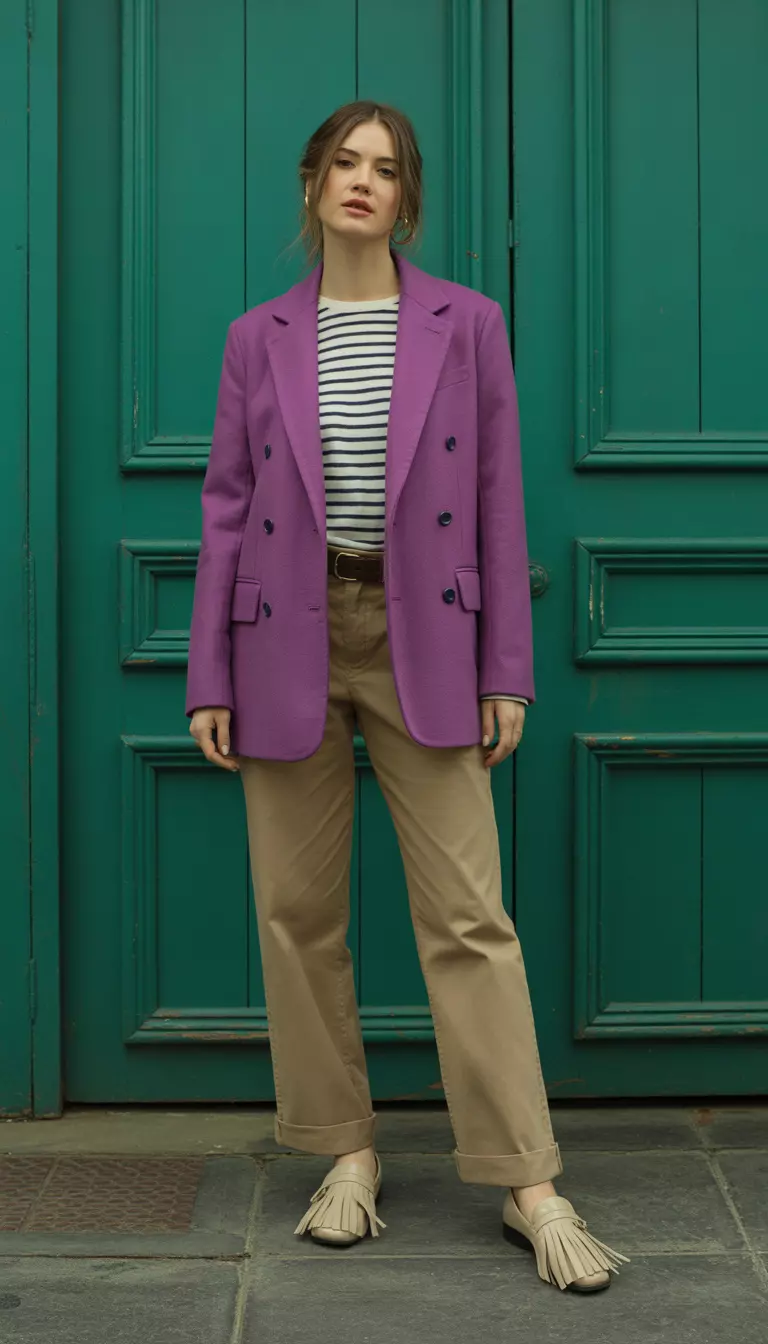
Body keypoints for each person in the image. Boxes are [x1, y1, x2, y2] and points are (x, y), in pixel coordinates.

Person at [185, 100, 629, 1293]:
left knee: (469, 917)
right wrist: (207, 671)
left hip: (422, 631)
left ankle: (527, 1179)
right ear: (312, 181)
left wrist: (506, 668)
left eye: (385, 168)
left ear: (406, 198)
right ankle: (344, 1151)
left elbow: (498, 497)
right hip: (282, 633)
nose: (363, 181)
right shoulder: (256, 338)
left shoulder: (466, 324)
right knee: (297, 912)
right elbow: (226, 508)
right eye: (345, 161)